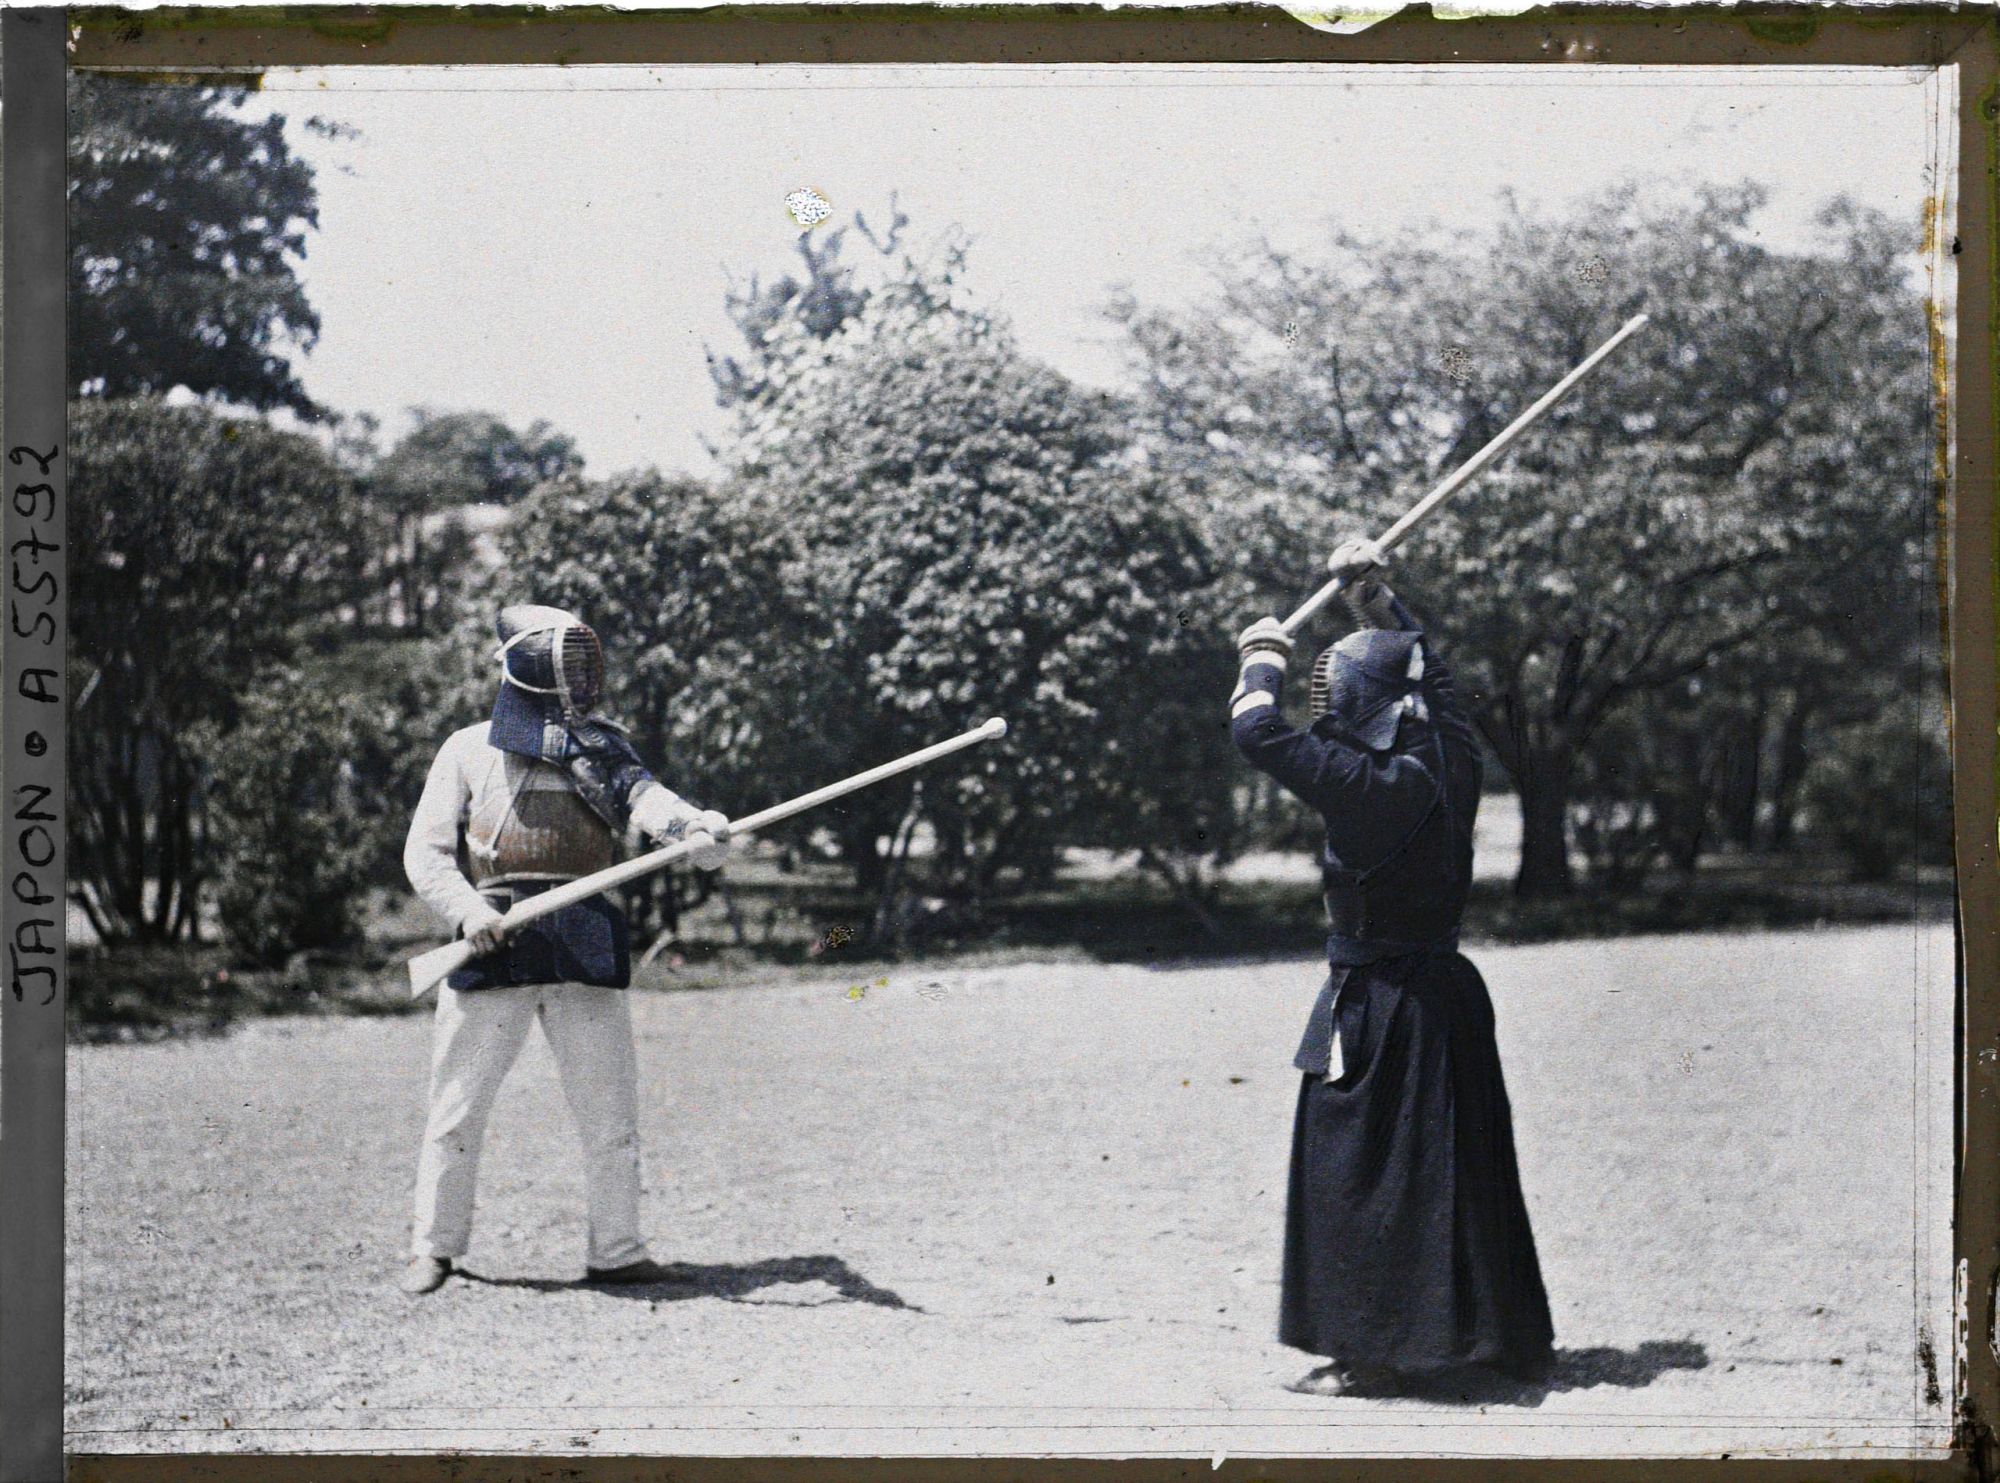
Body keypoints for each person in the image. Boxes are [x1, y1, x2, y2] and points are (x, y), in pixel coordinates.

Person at [1230, 538, 1554, 1395]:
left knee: (1356, 1172)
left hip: (1377, 1001)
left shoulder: (1361, 783)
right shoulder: (1451, 759)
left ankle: (1371, 1353)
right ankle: (1491, 1338)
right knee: (1456, 1166)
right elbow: (1437, 680)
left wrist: (1261, 658)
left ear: (1356, 704)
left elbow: (1255, 728)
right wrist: (1374, 596)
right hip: (1445, 999)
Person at [398, 603, 731, 1296]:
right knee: (457, 1108)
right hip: (496, 938)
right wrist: (465, 913)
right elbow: (425, 854)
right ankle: (434, 1247)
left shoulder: (604, 746)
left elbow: (648, 803)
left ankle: (618, 1248)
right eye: (566, 659)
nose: (579, 673)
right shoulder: (467, 749)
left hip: (584, 938)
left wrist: (695, 827)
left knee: (611, 1111)